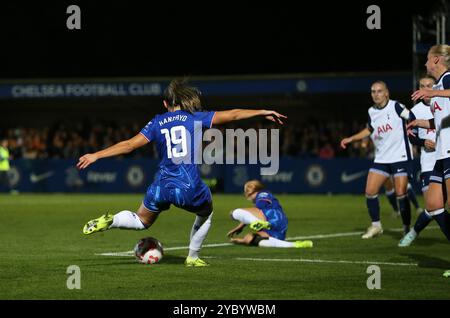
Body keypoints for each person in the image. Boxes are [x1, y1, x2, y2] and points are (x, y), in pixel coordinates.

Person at [78, 79, 287, 267]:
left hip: (161, 185)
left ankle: (112, 220)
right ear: (183, 102)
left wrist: (96, 154)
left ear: (165, 104)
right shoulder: (195, 117)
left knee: (142, 220)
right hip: (188, 186)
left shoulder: (157, 122)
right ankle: (193, 257)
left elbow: (130, 144)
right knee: (206, 213)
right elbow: (233, 115)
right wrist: (261, 111)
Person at [340, 81, 413, 239]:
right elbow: (369, 129)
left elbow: (412, 118)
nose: (376, 94)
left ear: (387, 93)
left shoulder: (396, 106)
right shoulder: (371, 111)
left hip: (400, 157)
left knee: (401, 193)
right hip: (381, 158)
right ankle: (376, 226)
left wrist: (415, 137)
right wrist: (351, 139)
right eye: (373, 91)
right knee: (370, 192)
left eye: (379, 91)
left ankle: (407, 227)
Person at [406, 45, 450, 278]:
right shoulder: (441, 86)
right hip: (442, 155)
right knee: (434, 204)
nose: (424, 65)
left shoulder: (447, 79)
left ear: (435, 59)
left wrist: (432, 93)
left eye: (426, 60)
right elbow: (438, 121)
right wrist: (419, 124)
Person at [399, 75, 437, 247]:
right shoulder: (415, 111)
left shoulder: (445, 105)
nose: (426, 89)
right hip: (429, 162)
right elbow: (412, 138)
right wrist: (423, 142)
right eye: (422, 86)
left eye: (429, 85)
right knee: (432, 205)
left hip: (447, 158)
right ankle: (414, 232)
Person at [227, 180, 313, 248]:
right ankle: (295, 245)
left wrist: (247, 222)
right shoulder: (265, 195)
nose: (248, 198)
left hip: (272, 219)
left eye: (248, 195)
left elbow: (259, 208)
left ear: (253, 191)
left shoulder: (262, 194)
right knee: (250, 238)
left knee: (233, 213)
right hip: (278, 227)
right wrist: (241, 240)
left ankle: (258, 222)